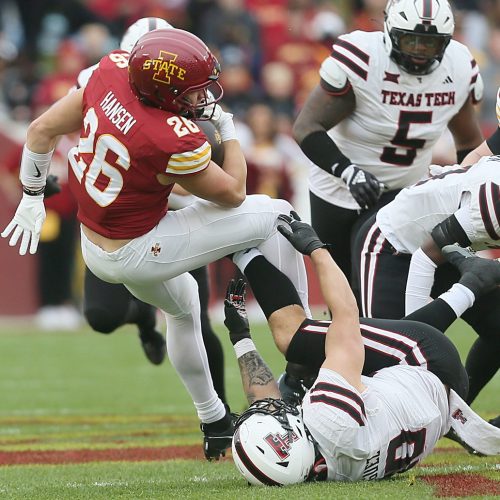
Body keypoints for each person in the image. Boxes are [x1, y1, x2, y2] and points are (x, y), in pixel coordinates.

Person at [0, 28, 310, 460]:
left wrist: (32, 194)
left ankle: (214, 420)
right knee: (276, 214)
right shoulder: (168, 135)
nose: (201, 99)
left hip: (97, 248)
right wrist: (229, 129)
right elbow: (235, 192)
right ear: (163, 91)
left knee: (183, 305)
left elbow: (40, 130)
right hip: (142, 248)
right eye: (192, 92)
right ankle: (303, 350)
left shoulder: (108, 72)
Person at [224, 213, 500, 485]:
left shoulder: (316, 468)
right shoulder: (328, 418)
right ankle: (473, 283)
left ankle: (296, 381)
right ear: (290, 436)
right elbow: (346, 316)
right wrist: (315, 249)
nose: (270, 409)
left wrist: (241, 338)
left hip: (437, 404)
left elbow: (266, 403)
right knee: (294, 337)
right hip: (426, 361)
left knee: (305, 369)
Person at [77, 18, 227, 400]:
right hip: (122, 221)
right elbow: (76, 129)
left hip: (179, 218)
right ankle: (144, 317)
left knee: (195, 319)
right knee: (102, 316)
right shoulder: (101, 78)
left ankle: (222, 418)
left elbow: (212, 172)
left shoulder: (190, 95)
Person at [292, 0, 484, 284]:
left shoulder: (458, 65)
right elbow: (306, 128)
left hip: (404, 192)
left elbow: (468, 140)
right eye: (411, 40)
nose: (419, 51)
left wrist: (468, 192)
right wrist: (348, 171)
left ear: (445, 43)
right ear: (390, 32)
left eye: (429, 44)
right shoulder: (364, 57)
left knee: (385, 292)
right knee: (342, 291)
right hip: (338, 189)